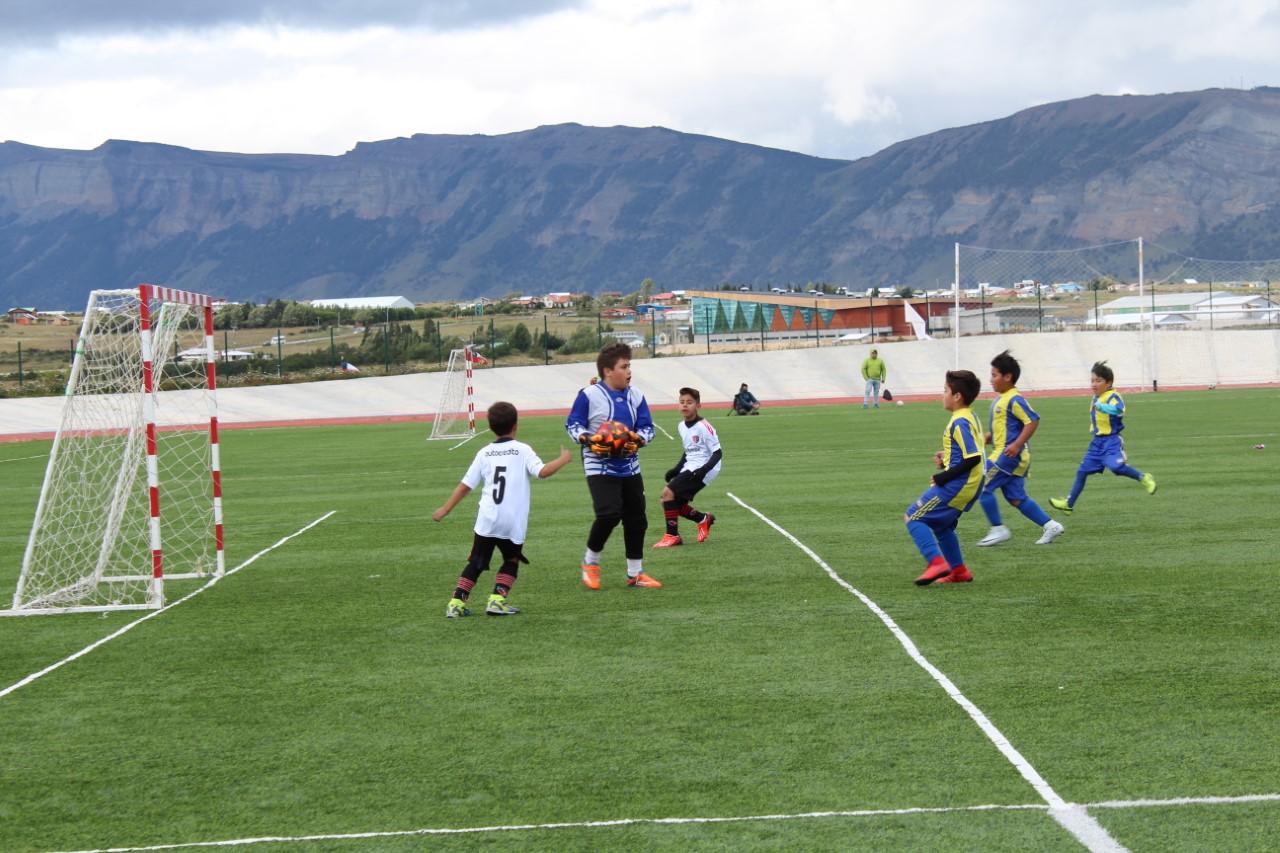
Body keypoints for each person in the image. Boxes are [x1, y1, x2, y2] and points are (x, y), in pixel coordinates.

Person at [432, 401, 572, 617]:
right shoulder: (523, 450)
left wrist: (445, 508)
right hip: (512, 520)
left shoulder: (484, 453)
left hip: (488, 519)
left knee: (477, 562)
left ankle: (456, 603)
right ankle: (497, 600)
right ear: (516, 425)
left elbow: (466, 485)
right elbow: (542, 472)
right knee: (511, 559)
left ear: (489, 425)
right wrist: (563, 459)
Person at [565, 342, 661, 589]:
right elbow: (573, 425)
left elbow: (648, 428)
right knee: (609, 514)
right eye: (624, 366)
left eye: (629, 366)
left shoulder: (636, 396)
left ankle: (635, 574)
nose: (629, 371)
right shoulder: (589, 395)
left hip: (630, 466)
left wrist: (638, 440)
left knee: (637, 519)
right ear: (608, 371)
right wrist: (589, 439)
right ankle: (591, 562)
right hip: (599, 466)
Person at [976, 350, 1065, 547]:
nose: (991, 380)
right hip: (1008, 454)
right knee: (1016, 498)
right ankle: (1051, 525)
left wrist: (1016, 444)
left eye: (994, 375)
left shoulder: (1014, 399)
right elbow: (1008, 427)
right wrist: (990, 437)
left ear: (1008, 377)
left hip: (1008, 455)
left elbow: (1032, 420)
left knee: (981, 486)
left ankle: (998, 529)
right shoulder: (1003, 398)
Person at [907, 370, 985, 586]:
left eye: (945, 391)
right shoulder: (970, 416)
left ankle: (936, 563)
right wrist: (947, 458)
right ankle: (959, 571)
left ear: (957, 396)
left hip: (960, 483)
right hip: (971, 483)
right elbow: (969, 450)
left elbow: (974, 457)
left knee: (913, 516)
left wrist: (943, 476)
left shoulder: (959, 422)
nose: (942, 395)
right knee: (942, 526)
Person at [1050, 361, 1157, 514]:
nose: (1094, 384)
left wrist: (1102, 407)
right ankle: (1068, 504)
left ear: (1109, 383)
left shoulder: (1112, 395)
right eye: (1092, 381)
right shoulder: (1096, 398)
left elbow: (1119, 410)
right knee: (1082, 472)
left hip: (1112, 440)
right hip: (1097, 442)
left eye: (1098, 381)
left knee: (1117, 467)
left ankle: (1144, 478)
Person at [653, 387, 723, 548]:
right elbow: (689, 450)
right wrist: (677, 469)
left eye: (689, 402)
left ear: (698, 406)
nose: (685, 405)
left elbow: (718, 453)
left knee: (667, 493)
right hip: (692, 465)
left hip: (706, 468)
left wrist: (703, 470)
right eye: (682, 402)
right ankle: (703, 519)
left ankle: (672, 535)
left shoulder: (704, 427)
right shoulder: (681, 426)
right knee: (667, 502)